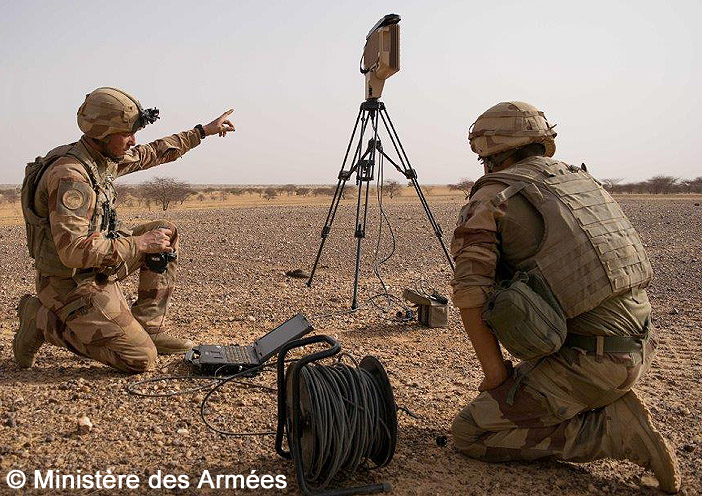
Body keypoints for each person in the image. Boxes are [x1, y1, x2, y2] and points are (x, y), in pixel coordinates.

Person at [449, 101, 681, 493]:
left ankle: (611, 432)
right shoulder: (581, 183)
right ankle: (600, 399)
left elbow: (470, 295)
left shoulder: (494, 196)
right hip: (641, 345)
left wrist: (497, 377)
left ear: (489, 150)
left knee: (470, 432)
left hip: (592, 361)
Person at [14, 87, 235, 373]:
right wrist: (139, 244)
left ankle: (148, 327)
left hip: (96, 265)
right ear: (102, 133)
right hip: (68, 283)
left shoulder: (100, 159)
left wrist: (202, 132)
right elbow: (72, 251)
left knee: (164, 231)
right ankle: (41, 321)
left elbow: (151, 153)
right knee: (140, 359)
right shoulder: (72, 176)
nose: (133, 141)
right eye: (126, 134)